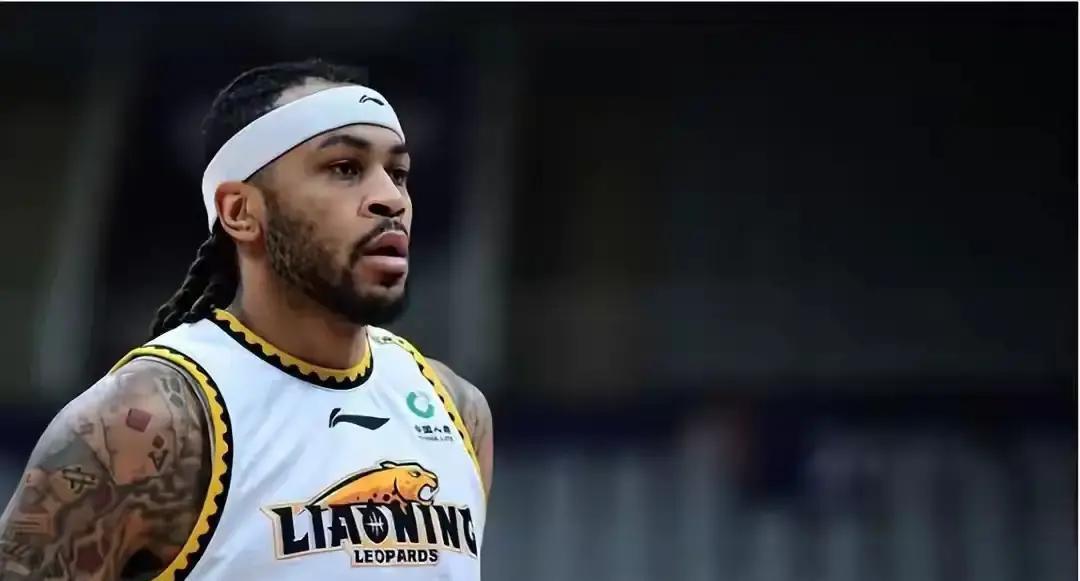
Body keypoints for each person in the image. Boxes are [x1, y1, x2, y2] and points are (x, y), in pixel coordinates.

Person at [0, 59, 493, 580]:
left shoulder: (458, 409)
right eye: (345, 168)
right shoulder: (146, 424)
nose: (391, 199)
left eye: (398, 173)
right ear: (240, 211)